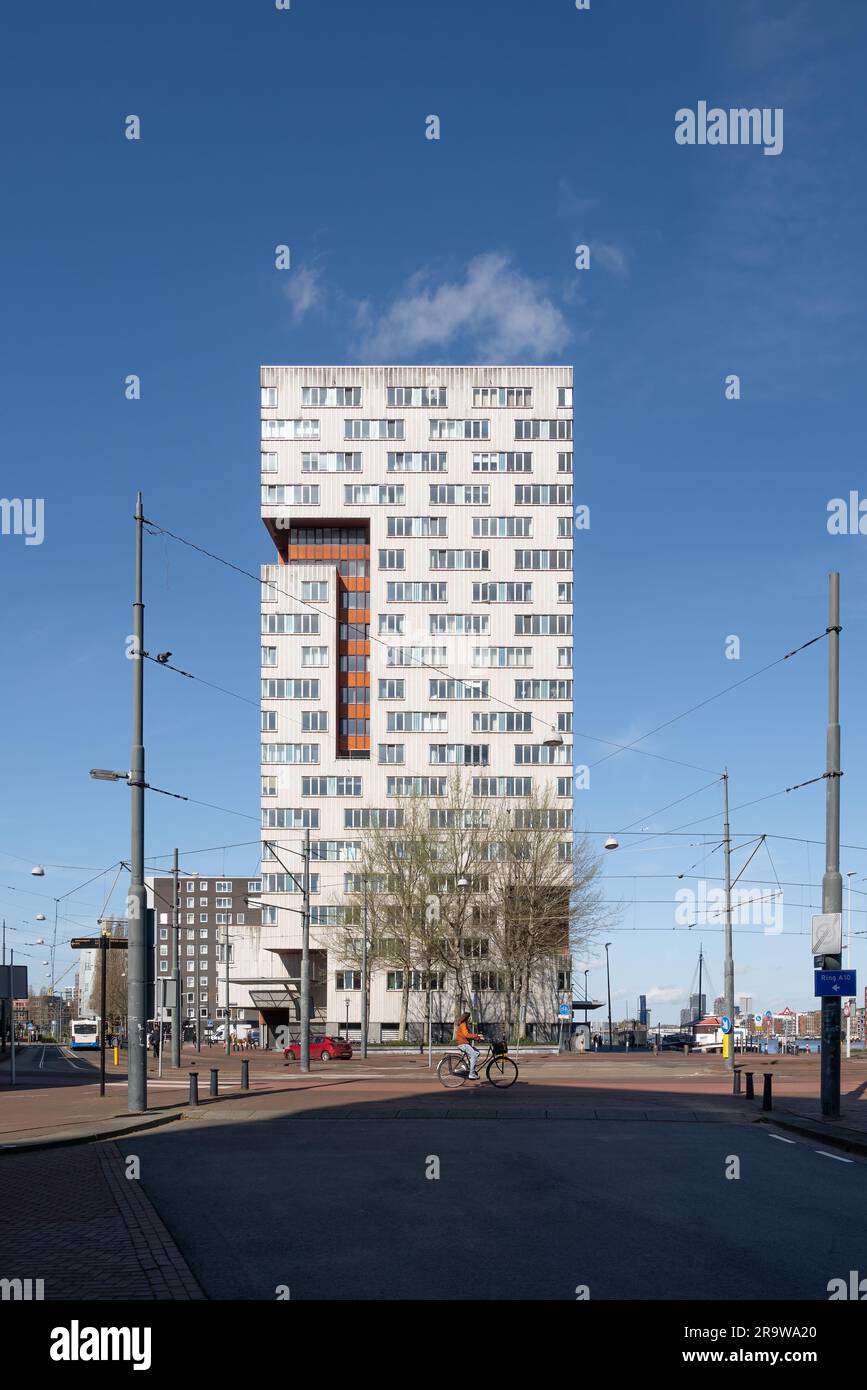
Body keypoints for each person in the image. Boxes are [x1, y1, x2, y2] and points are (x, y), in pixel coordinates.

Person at [455, 1012, 483, 1079]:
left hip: (464, 1043)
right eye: (469, 1018)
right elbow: (466, 1035)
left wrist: (478, 1038)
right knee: (473, 1055)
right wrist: (477, 1036)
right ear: (466, 1018)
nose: (470, 1019)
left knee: (477, 1053)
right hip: (463, 1044)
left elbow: (468, 1036)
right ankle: (471, 1074)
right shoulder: (463, 1024)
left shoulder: (465, 1025)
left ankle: (466, 1066)